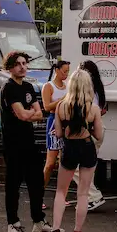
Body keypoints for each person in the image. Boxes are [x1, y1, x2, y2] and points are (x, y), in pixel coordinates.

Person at [43, 70, 104, 232]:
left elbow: (60, 134)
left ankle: (55, 227)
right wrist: (89, 128)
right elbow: (99, 135)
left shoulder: (62, 106)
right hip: (86, 147)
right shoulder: (93, 108)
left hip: (69, 148)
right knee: (83, 193)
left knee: (61, 191)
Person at [0, 51, 52, 232]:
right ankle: (12, 225)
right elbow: (23, 115)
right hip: (13, 143)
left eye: (25, 63)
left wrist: (28, 113)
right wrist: (28, 113)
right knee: (13, 185)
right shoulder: (9, 88)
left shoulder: (29, 87)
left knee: (36, 181)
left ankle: (39, 222)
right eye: (18, 64)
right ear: (10, 67)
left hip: (29, 142)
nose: (22, 67)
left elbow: (40, 114)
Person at [75, 60, 107, 211]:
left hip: (90, 131)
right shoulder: (98, 88)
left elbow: (87, 114)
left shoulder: (88, 91)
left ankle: (94, 196)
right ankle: (88, 198)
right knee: (89, 167)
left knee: (76, 168)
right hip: (99, 129)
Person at [41, 60, 70, 200]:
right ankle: (39, 194)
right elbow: (47, 107)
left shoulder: (67, 86)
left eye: (68, 72)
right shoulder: (48, 86)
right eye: (64, 71)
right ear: (57, 70)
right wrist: (63, 99)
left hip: (66, 122)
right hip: (53, 121)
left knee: (64, 162)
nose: (66, 74)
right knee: (50, 163)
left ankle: (61, 196)